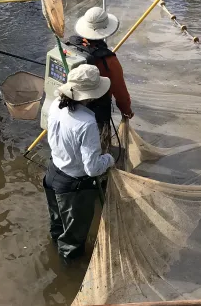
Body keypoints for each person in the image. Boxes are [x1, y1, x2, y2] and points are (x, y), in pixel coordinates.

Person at [44, 64, 115, 262]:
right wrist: (108, 159)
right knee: (73, 241)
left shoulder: (56, 103)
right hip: (73, 187)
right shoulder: (86, 123)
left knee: (57, 226)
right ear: (91, 95)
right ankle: (68, 271)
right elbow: (92, 169)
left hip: (52, 175)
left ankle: (53, 260)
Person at [70, 6, 133, 151]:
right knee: (99, 149)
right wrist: (126, 111)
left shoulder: (70, 47)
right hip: (96, 113)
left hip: (70, 107)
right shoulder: (109, 60)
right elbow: (120, 92)